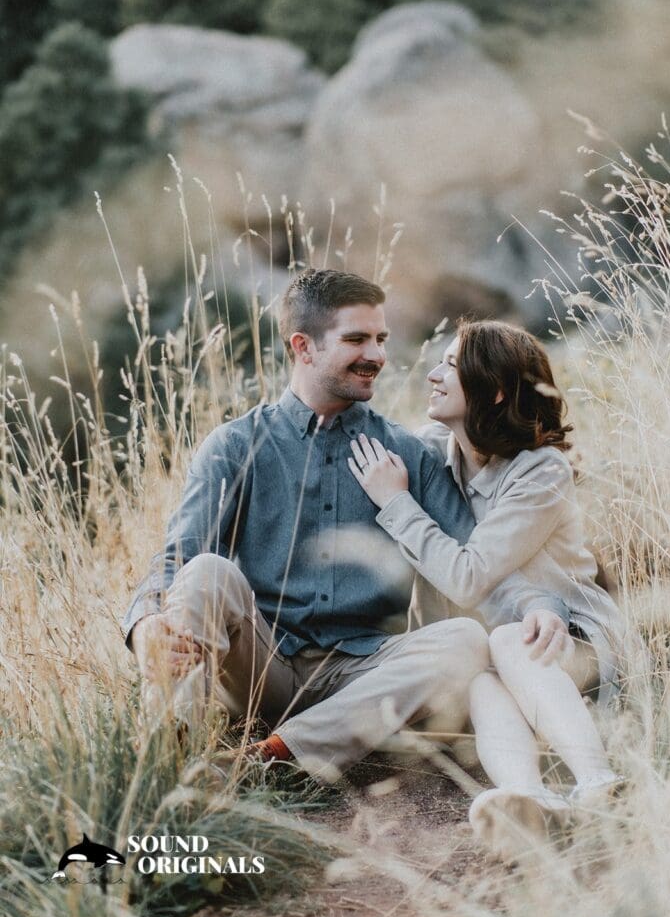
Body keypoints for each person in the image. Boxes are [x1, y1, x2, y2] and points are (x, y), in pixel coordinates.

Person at [122, 269, 489, 781]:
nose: (377, 356)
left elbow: (475, 567)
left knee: (464, 639)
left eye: (380, 339)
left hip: (365, 674)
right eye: (356, 339)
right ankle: (163, 762)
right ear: (304, 347)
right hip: (260, 666)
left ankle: (272, 758)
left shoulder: (406, 453)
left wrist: (549, 608)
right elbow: (178, 559)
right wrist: (144, 626)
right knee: (206, 570)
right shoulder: (234, 445)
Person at [348, 318, 626, 857]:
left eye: (450, 365)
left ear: (493, 390)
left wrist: (397, 504)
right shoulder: (434, 449)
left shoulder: (541, 471)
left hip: (569, 647)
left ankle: (598, 782)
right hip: (491, 653)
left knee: (505, 640)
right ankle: (529, 800)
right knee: (478, 670)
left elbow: (467, 575)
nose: (432, 374)